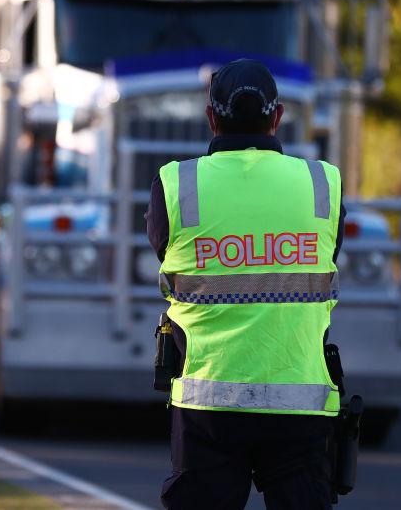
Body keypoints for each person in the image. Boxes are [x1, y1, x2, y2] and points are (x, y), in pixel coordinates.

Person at [146, 59, 347, 509]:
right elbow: (329, 256)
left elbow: (164, 252)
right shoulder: (322, 183)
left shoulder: (176, 184)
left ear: (211, 117)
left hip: (207, 408)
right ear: (278, 117)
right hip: (301, 406)